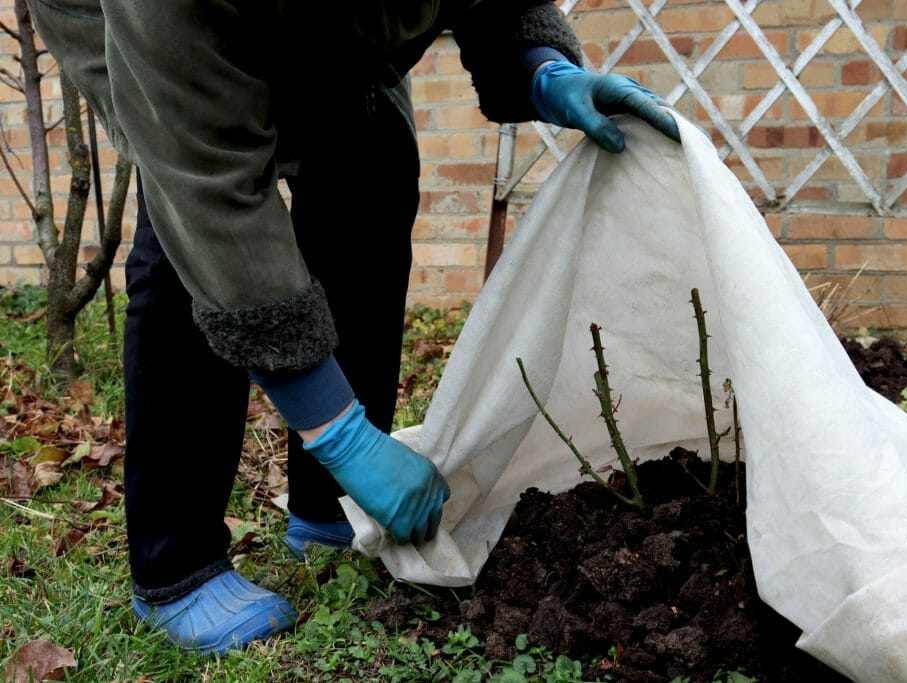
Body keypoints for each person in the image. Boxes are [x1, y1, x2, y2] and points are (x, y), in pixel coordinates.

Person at [27, 0, 680, 654]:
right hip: (137, 22)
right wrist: (340, 433)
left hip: (317, 25)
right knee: (185, 238)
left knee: (373, 157)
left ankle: (327, 509)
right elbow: (209, 192)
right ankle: (175, 565)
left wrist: (538, 65)